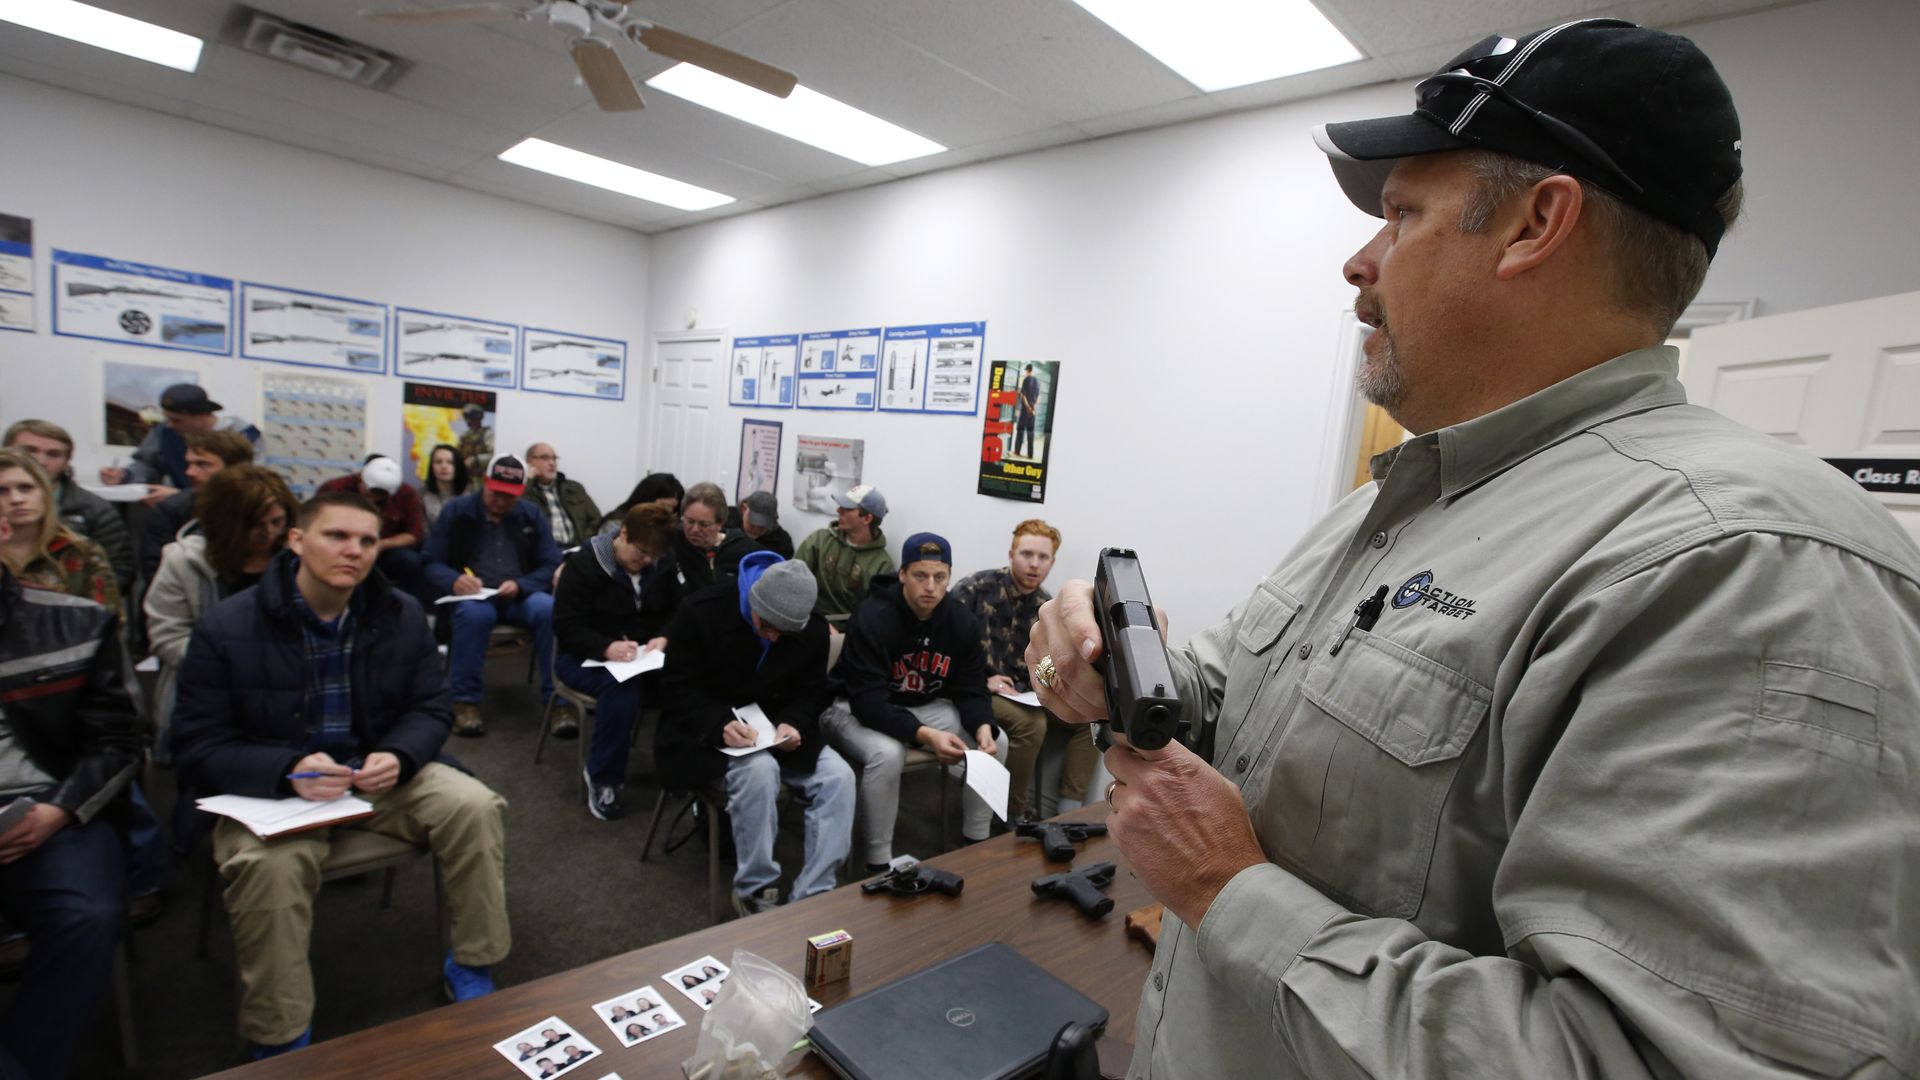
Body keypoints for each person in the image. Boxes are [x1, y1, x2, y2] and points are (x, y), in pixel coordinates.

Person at [1027, 21, 1920, 1077]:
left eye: (1402, 213)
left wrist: (1227, 891)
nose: (1357, 260)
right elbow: (1254, 725)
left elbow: (1651, 1059)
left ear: (1535, 224)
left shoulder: (1744, 568)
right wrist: (1111, 671)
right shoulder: (1395, 502)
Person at [171, 489, 509, 1058]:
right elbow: (195, 745)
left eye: (367, 540)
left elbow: (430, 708)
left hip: (374, 774)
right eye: (336, 536)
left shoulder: (399, 613)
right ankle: (281, 1035)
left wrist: (399, 755)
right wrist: (285, 769)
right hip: (271, 791)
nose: (353, 551)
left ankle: (474, 960)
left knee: (475, 806)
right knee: (268, 869)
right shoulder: (227, 625)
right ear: (297, 540)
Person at [0, 510, 142, 1080]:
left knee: (87, 915)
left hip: (48, 809)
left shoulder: (75, 623)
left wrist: (60, 810)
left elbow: (120, 741)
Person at [658, 553, 851, 915]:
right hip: (708, 730)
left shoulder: (810, 628)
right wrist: (719, 723)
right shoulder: (700, 612)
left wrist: (795, 722)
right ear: (753, 603)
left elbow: (812, 692)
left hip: (775, 728)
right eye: (766, 628)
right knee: (760, 771)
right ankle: (755, 888)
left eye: (785, 632)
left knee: (840, 777)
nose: (774, 638)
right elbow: (674, 688)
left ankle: (815, 893)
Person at [820, 533, 1004, 870]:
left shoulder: (960, 619)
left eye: (940, 577)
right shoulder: (872, 616)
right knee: (888, 754)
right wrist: (925, 735)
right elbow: (868, 702)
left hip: (919, 705)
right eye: (920, 575)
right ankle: (878, 863)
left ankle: (976, 841)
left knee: (997, 741)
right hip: (849, 707)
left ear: (949, 576)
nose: (930, 586)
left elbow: (971, 686)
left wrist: (981, 725)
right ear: (902, 574)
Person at [146, 465, 297, 757]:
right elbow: (168, 636)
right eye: (255, 525)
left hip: (283, 698)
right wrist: (236, 666)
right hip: (208, 694)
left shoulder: (294, 559)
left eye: (277, 521)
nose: (269, 533)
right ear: (227, 522)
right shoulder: (183, 561)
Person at [951, 519, 1094, 818]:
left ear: (1052, 562)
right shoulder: (975, 589)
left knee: (1092, 717)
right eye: (1026, 554)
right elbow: (946, 649)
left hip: (1024, 693)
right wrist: (983, 680)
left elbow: (1047, 664)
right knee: (1032, 724)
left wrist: (1052, 683)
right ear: (1011, 554)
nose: (1034, 564)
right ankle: (1012, 814)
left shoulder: (1047, 607)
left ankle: (1071, 813)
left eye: (1043, 558)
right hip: (977, 689)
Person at [553, 503, 681, 817]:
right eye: (641, 552)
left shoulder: (661, 562)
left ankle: (681, 770)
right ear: (622, 534)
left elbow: (681, 611)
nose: (647, 561)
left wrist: (665, 636)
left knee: (687, 682)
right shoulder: (585, 565)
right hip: (583, 658)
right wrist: (605, 647)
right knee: (622, 689)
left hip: (641, 655)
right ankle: (603, 777)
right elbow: (565, 626)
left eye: (654, 556)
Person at [422, 455, 561, 737]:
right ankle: (465, 702)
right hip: (475, 596)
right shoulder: (456, 512)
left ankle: (558, 702)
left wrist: (523, 584)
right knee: (473, 615)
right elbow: (429, 562)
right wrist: (454, 580)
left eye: (509, 497)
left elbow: (551, 564)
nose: (501, 501)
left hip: (521, 595)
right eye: (495, 493)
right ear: (484, 483)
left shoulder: (531, 514)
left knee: (550, 609)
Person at [3, 419, 134, 596]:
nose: (40, 461)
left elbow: (119, 572)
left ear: (67, 462)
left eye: (53, 454)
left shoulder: (94, 510)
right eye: (29, 451)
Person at [98, 383, 258, 503]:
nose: (170, 425)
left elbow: (249, 488)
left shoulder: (244, 435)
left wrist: (180, 497)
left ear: (203, 414)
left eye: (177, 420)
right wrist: (124, 476)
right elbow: (148, 465)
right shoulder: (164, 432)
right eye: (167, 418)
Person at [0, 449, 119, 611]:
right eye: (2, 491)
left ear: (45, 492)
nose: (16, 499)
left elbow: (106, 621)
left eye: (26, 488)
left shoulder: (80, 551)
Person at [140, 429, 255, 581]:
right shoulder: (171, 510)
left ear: (235, 468)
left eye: (202, 464)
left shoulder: (264, 507)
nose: (189, 472)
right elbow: (156, 572)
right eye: (189, 464)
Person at [316, 456, 426, 596]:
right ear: (361, 478)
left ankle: (401, 605)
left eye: (380, 495)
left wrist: (381, 544)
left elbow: (414, 534)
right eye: (371, 492)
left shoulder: (406, 494)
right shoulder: (334, 489)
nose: (373, 499)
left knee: (410, 561)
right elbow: (317, 524)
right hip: (341, 546)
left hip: (385, 550)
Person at [793, 484, 893, 623]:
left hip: (850, 632)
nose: (838, 510)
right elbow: (794, 582)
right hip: (809, 620)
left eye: (847, 509)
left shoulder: (882, 565)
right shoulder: (819, 541)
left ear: (867, 519)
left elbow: (875, 615)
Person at [671, 482, 760, 595]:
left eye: (704, 524)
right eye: (690, 521)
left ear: (720, 523)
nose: (695, 529)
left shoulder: (746, 552)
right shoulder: (672, 543)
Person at [521, 443, 600, 550]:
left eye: (554, 458)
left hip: (578, 550)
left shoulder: (573, 488)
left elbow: (596, 520)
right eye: (545, 458)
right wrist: (528, 480)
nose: (552, 463)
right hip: (545, 552)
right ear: (530, 462)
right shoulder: (527, 491)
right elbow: (515, 510)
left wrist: (584, 544)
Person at [597, 472, 684, 537]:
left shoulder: (672, 525)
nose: (667, 512)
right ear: (645, 500)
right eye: (663, 506)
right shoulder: (615, 524)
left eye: (672, 508)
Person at [419, 443, 469, 531]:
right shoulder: (420, 495)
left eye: (450, 462)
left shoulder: (470, 497)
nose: (444, 466)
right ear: (432, 466)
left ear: (458, 466)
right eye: (438, 462)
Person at [733, 491, 793, 558]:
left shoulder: (782, 541)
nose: (755, 530)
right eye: (752, 524)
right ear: (744, 509)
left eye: (762, 527)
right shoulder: (727, 521)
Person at [457, 402, 492, 484]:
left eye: (470, 417)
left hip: (480, 478)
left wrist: (476, 459)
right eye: (467, 417)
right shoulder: (464, 436)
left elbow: (493, 455)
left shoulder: (488, 434)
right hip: (464, 476)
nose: (467, 420)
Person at [1013, 363, 1040, 458]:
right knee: (1030, 432)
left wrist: (1028, 407)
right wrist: (1033, 408)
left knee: (1020, 430)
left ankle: (1017, 451)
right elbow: (1038, 397)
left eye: (1026, 370)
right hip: (1033, 411)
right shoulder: (1038, 381)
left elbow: (1023, 395)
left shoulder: (1026, 380)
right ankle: (1030, 454)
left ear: (1028, 370)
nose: (1025, 372)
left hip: (1025, 410)